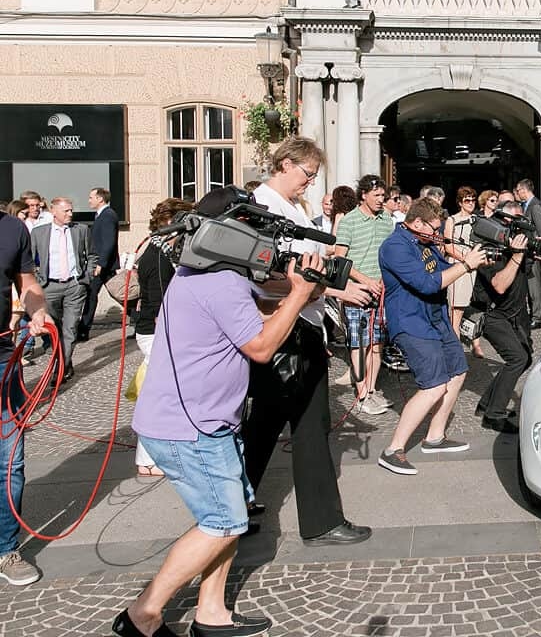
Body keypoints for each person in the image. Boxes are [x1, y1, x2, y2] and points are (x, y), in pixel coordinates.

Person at [115, 189, 327, 637]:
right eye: (254, 228)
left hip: (205, 421)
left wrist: (298, 295)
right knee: (224, 521)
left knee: (225, 518)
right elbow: (262, 346)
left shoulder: (202, 271)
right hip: (191, 427)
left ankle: (211, 613)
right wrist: (298, 296)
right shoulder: (221, 281)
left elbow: (255, 309)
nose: (262, 239)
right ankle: (143, 614)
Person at [242, 138, 373, 547]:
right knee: (308, 426)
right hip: (288, 329)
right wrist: (326, 292)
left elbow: (305, 271)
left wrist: (333, 287)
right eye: (307, 174)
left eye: (315, 177)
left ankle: (233, 505)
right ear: (284, 164)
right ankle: (322, 521)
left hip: (301, 325)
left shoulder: (290, 208)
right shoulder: (263, 209)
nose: (310, 183)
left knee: (263, 426)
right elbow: (265, 277)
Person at [377, 198, 487, 474]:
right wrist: (466, 266)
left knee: (458, 371)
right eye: (433, 229)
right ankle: (393, 450)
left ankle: (435, 437)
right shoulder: (394, 247)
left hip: (436, 319)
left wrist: (466, 260)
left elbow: (440, 270)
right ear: (416, 223)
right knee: (434, 385)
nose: (437, 235)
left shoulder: (424, 243)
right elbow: (426, 284)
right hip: (411, 322)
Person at [0, 204, 49, 587]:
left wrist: (37, 309)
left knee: (9, 461)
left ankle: (5, 548)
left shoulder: (13, 228)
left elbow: (28, 284)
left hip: (3, 358)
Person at [132, 197, 193, 477]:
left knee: (162, 395)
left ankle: (155, 456)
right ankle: (148, 459)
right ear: (170, 223)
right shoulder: (157, 255)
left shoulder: (160, 250)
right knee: (160, 396)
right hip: (155, 332)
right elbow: (159, 305)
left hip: (156, 330)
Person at [333, 175, 396, 414]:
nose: (382, 200)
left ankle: (371, 388)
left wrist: (383, 278)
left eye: (383, 196)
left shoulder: (386, 220)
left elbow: (387, 253)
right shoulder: (349, 221)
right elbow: (340, 258)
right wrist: (366, 280)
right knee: (358, 343)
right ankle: (361, 394)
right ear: (363, 195)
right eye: (377, 195)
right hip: (357, 291)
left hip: (380, 291)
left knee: (377, 343)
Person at [474, 200, 533, 433]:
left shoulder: (513, 243)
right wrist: (517, 255)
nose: (521, 228)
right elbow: (499, 284)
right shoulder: (489, 247)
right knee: (517, 358)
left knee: (525, 357)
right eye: (517, 221)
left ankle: (487, 403)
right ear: (505, 220)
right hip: (494, 314)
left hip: (516, 313)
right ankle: (494, 415)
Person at [30, 197, 96, 380]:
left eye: (71, 210)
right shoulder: (39, 233)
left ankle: (60, 370)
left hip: (75, 286)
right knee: (54, 329)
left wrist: (86, 277)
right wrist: (38, 280)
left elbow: (91, 255)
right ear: (54, 212)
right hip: (49, 286)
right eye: (66, 210)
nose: (70, 213)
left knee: (70, 328)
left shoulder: (81, 230)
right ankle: (64, 361)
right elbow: (30, 259)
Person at [443, 186, 485, 358]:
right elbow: (447, 245)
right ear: (460, 202)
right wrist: (465, 259)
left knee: (474, 308)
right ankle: (455, 349)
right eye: (467, 200)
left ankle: (474, 344)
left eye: (473, 199)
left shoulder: (478, 219)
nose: (470, 203)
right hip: (459, 265)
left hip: (476, 266)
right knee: (456, 310)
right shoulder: (452, 220)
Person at [78, 187, 119, 342]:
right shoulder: (101, 215)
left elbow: (108, 242)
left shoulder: (108, 215)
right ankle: (138, 318)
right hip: (103, 263)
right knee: (116, 293)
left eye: (91, 197)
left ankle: (83, 330)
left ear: (100, 199)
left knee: (91, 294)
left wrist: (100, 263)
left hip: (103, 264)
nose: (89, 200)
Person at [514, 179, 541, 328]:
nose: (517, 193)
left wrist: (539, 251)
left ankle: (537, 317)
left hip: (533, 253)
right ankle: (532, 315)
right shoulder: (526, 205)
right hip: (527, 252)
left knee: (534, 286)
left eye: (518, 190)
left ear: (523, 190)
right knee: (529, 285)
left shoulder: (535, 206)